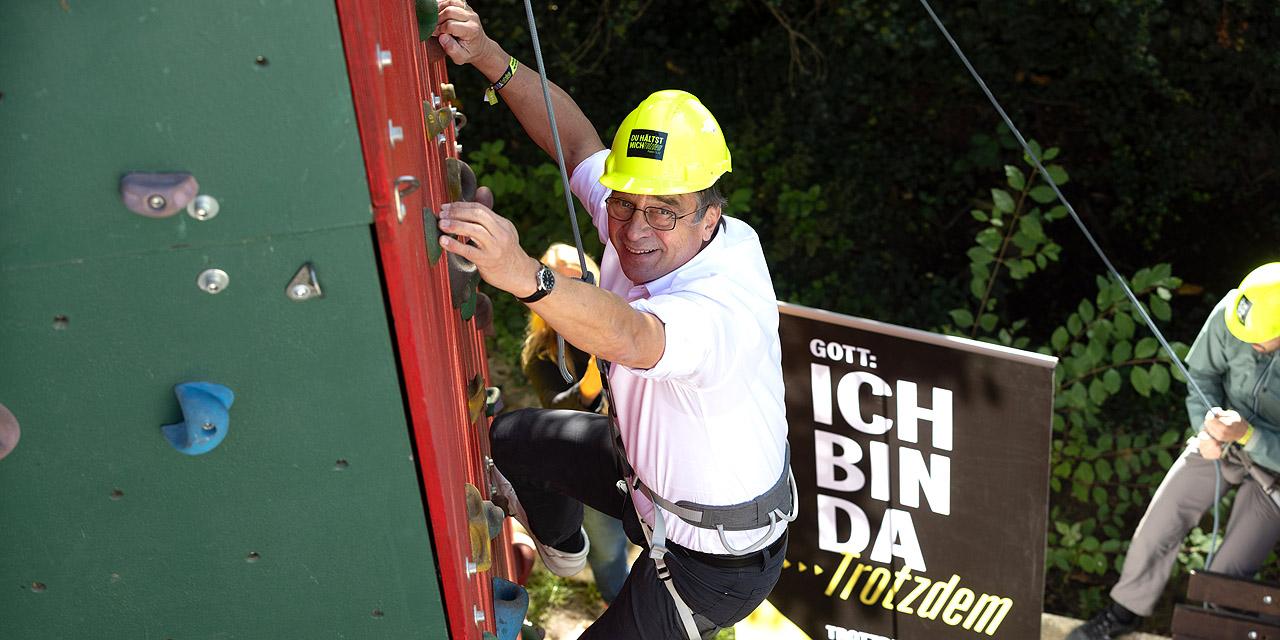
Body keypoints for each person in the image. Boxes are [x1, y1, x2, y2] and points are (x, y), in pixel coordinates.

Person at [433, 2, 793, 637]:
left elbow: (634, 335)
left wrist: (525, 274)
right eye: (624, 205)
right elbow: (576, 142)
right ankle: (564, 550)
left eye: (662, 213)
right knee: (511, 439)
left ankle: (584, 561)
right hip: (644, 481)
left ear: (712, 217)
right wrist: (488, 55)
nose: (633, 230)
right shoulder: (653, 212)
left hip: (712, 561)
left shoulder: (722, 304)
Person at [1069, 262, 1280, 639]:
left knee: (1228, 573)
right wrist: (1207, 429)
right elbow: (1202, 376)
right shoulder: (1233, 316)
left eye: (1260, 340)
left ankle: (1213, 631)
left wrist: (1249, 436)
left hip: (1274, 470)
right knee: (1158, 525)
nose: (1247, 342)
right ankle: (1122, 614)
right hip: (1221, 442)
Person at [520, 243, 632, 603]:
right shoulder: (543, 353)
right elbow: (556, 412)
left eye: (579, 275)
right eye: (561, 279)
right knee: (608, 546)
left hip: (644, 449)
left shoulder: (624, 312)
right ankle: (622, 605)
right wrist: (594, 374)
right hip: (596, 459)